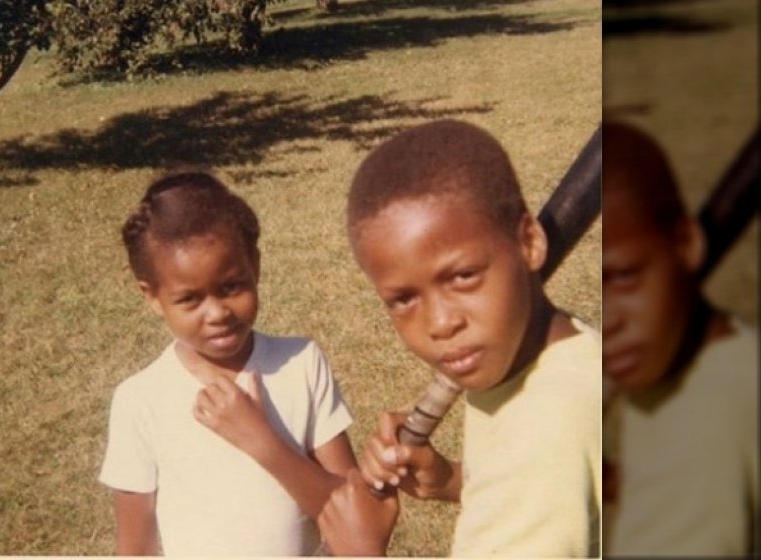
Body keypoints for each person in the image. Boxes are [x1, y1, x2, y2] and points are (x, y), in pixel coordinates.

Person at [316, 119, 601, 557]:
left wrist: (361, 552)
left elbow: (532, 470)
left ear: (528, 241)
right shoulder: (553, 356)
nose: (440, 323)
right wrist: (450, 479)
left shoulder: (543, 430)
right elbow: (528, 487)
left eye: (464, 276)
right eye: (403, 299)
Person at [98, 171, 357, 556]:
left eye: (231, 286)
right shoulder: (141, 401)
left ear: (254, 265)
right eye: (190, 299)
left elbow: (356, 516)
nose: (217, 312)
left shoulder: (300, 364)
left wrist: (260, 438)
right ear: (152, 297)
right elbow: (134, 548)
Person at [601, 120, 758, 556]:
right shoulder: (668, 364)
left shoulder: (716, 409)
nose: (609, 322)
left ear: (686, 243)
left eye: (624, 277)